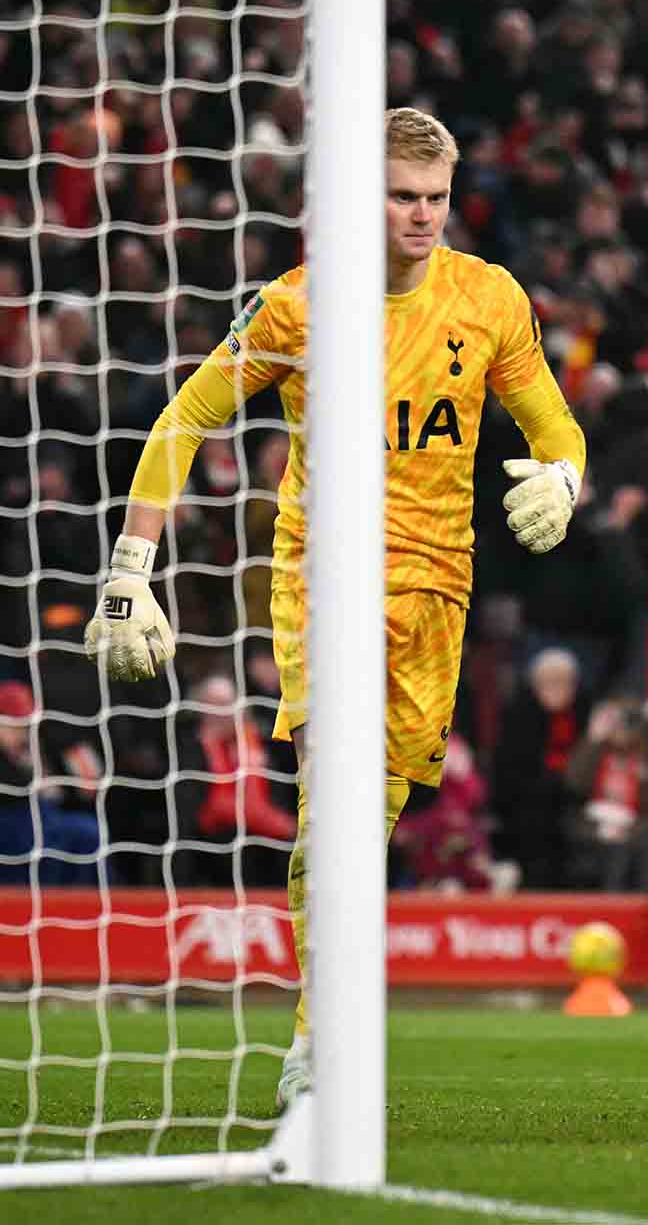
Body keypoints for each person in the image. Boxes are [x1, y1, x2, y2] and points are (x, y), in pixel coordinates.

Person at [81, 108, 587, 1111]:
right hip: (320, 568)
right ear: (361, 197)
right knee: (325, 812)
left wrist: (567, 479)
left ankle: (329, 1019)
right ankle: (317, 1041)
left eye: (435, 198)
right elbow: (185, 418)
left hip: (436, 583)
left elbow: (552, 422)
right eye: (402, 196)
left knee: (374, 823)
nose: (421, 216)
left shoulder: (487, 297)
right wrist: (131, 565)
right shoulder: (295, 307)